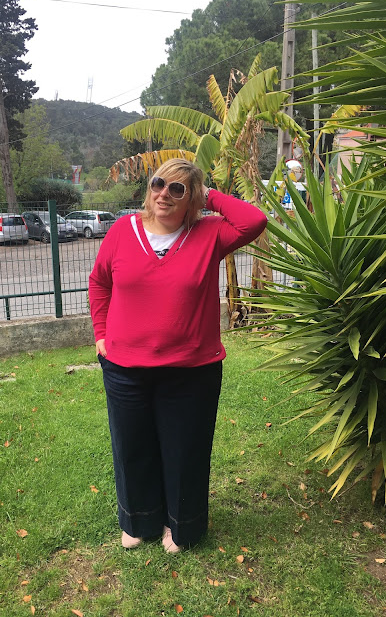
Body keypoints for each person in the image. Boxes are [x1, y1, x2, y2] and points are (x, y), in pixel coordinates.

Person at [89, 158, 267, 553]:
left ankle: (181, 525)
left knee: (185, 449)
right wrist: (101, 333)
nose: (164, 194)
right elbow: (100, 282)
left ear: (192, 198)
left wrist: (210, 195)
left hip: (192, 369)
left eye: (177, 189)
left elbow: (254, 221)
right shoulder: (122, 230)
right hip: (125, 367)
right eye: (158, 184)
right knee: (132, 447)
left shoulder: (209, 234)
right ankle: (139, 520)